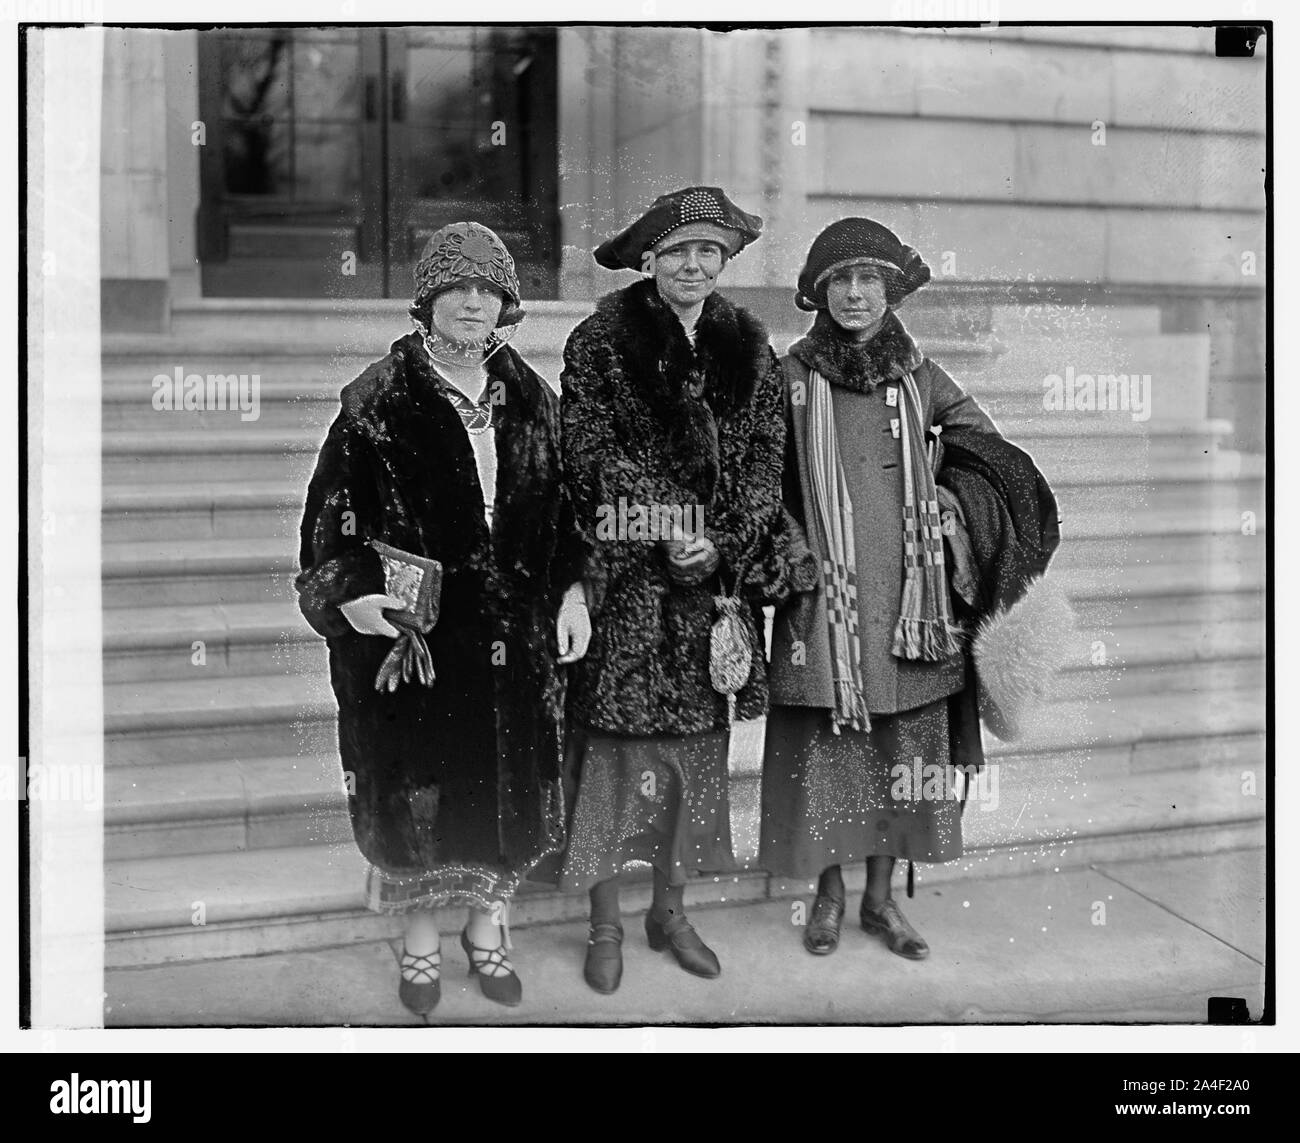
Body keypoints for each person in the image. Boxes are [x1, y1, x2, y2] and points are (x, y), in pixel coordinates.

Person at [295, 222, 590, 1016]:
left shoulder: (534, 403)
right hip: (419, 648)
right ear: (427, 300)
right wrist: (352, 593)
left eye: (487, 289)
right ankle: (422, 938)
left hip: (514, 643)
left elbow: (569, 520)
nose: (472, 302)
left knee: (505, 796)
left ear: (506, 306)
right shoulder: (375, 406)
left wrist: (573, 592)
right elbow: (330, 525)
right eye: (456, 288)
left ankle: (489, 929)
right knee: (423, 800)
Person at [544, 187, 815, 994]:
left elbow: (769, 457)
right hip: (622, 580)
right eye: (677, 251)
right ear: (648, 259)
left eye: (709, 252)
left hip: (707, 598)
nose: (693, 265)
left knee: (693, 760)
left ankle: (671, 908)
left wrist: (721, 539)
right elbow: (583, 452)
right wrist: (666, 521)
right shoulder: (600, 341)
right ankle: (604, 922)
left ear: (725, 260)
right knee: (612, 759)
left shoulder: (749, 344)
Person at [762, 217, 1006, 961]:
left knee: (899, 758)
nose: (857, 293)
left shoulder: (922, 378)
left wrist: (952, 504)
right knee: (830, 762)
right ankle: (828, 897)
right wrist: (792, 549)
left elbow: (986, 451)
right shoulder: (790, 379)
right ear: (818, 291)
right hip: (825, 609)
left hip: (909, 612)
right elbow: (756, 481)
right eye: (841, 279)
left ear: (892, 290)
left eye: (870, 279)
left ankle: (879, 902)